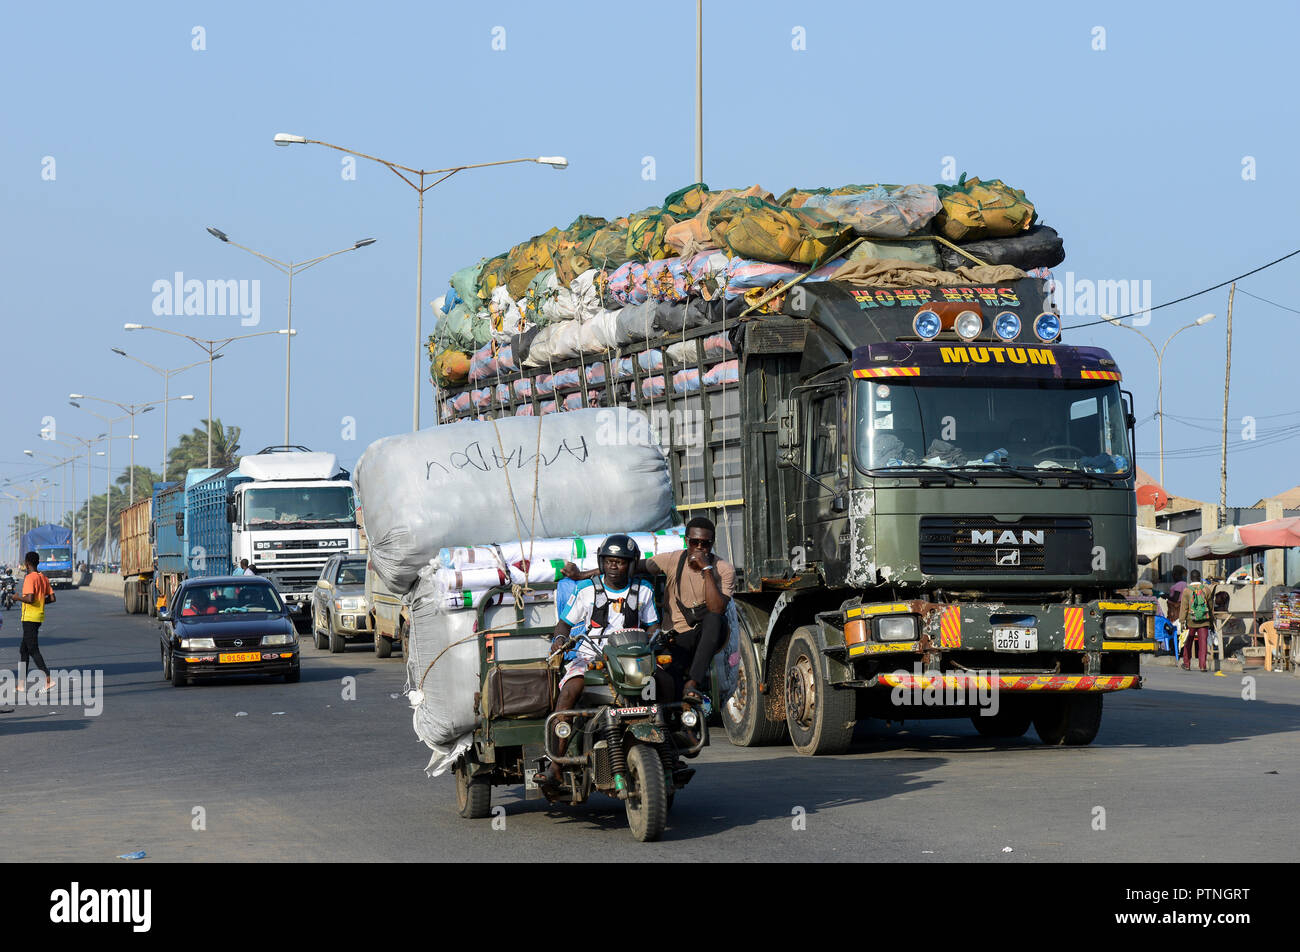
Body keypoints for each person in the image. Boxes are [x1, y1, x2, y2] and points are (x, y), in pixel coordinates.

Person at [566, 516, 734, 706]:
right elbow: (624, 566)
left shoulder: (724, 569)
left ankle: (692, 683)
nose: (699, 548)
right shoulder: (673, 559)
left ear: (712, 543)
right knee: (666, 685)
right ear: (687, 541)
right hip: (675, 637)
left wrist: (707, 569)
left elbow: (716, 608)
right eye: (695, 542)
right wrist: (582, 574)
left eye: (705, 544)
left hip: (705, 636)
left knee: (714, 619)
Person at [539, 534, 659, 790]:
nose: (614, 566)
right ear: (601, 562)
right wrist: (560, 639)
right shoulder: (586, 590)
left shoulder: (644, 590)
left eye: (621, 562)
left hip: (631, 659)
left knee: (665, 685)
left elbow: (653, 625)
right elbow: (565, 623)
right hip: (590, 656)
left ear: (631, 564)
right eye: (609, 561)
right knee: (569, 691)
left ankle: (672, 740)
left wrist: (655, 638)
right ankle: (556, 765)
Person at [16, 550, 55, 692]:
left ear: (27, 563)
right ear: (37, 562)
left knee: (32, 649)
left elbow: (30, 598)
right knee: (24, 650)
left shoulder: (29, 578)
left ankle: (48, 679)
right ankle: (21, 684)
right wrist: (41, 602)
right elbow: (52, 598)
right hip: (38, 617)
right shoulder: (43, 577)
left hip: (29, 618)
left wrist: (17, 598)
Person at [1178, 569, 1213, 672]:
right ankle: (1202, 666)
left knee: (1188, 643)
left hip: (1191, 621)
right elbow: (1210, 607)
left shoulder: (1187, 590)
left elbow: (1184, 608)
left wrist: (1182, 621)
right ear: (1199, 577)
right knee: (1203, 644)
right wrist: (1211, 620)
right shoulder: (1206, 589)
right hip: (1204, 621)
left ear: (1191, 578)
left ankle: (1187, 664)